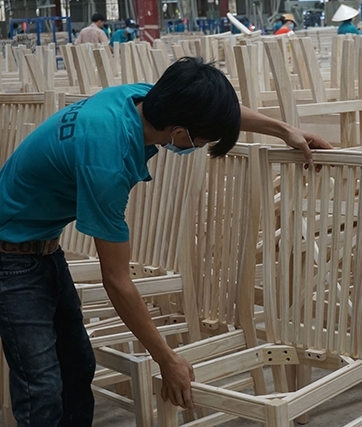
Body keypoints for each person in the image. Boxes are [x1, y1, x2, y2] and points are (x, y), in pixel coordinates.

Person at [0, 56, 331, 426]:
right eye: (205, 140)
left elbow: (218, 111)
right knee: (41, 387)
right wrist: (167, 359)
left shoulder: (142, 100)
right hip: (9, 259)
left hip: (41, 246)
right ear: (179, 134)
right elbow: (117, 281)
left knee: (77, 365)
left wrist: (284, 130)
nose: (205, 144)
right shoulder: (108, 163)